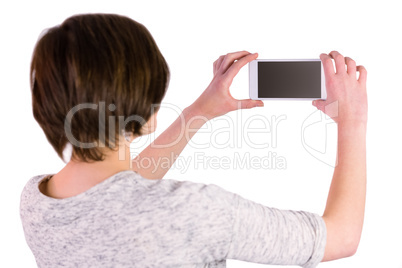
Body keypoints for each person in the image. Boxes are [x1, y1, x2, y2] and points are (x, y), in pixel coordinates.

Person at [20, 13, 367, 268]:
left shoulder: (35, 203)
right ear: (144, 103)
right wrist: (352, 121)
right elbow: (341, 237)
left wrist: (202, 110)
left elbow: (119, 197)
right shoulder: (195, 211)